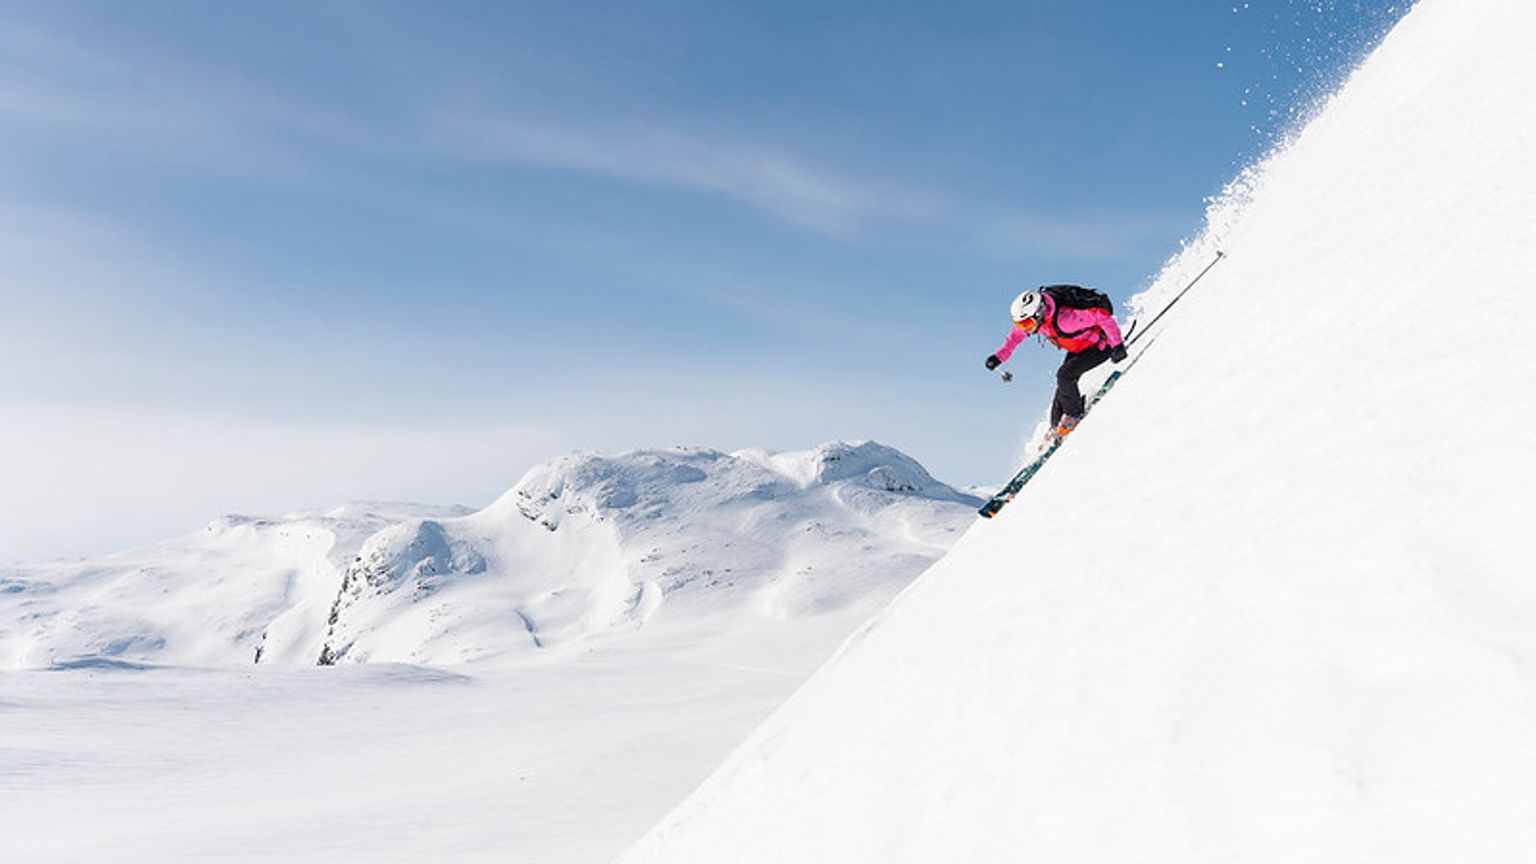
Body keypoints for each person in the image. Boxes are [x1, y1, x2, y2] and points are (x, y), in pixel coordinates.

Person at [985, 287, 1128, 440]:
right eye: (1020, 324)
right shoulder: (1038, 323)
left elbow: (1102, 317)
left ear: (1038, 313)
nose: (1024, 328)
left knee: (1064, 376)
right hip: (1079, 346)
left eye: (1026, 323)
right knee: (1063, 387)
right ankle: (1055, 426)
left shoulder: (1065, 319)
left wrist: (1117, 345)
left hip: (1100, 346)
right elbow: (1014, 338)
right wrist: (998, 357)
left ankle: (1073, 415)